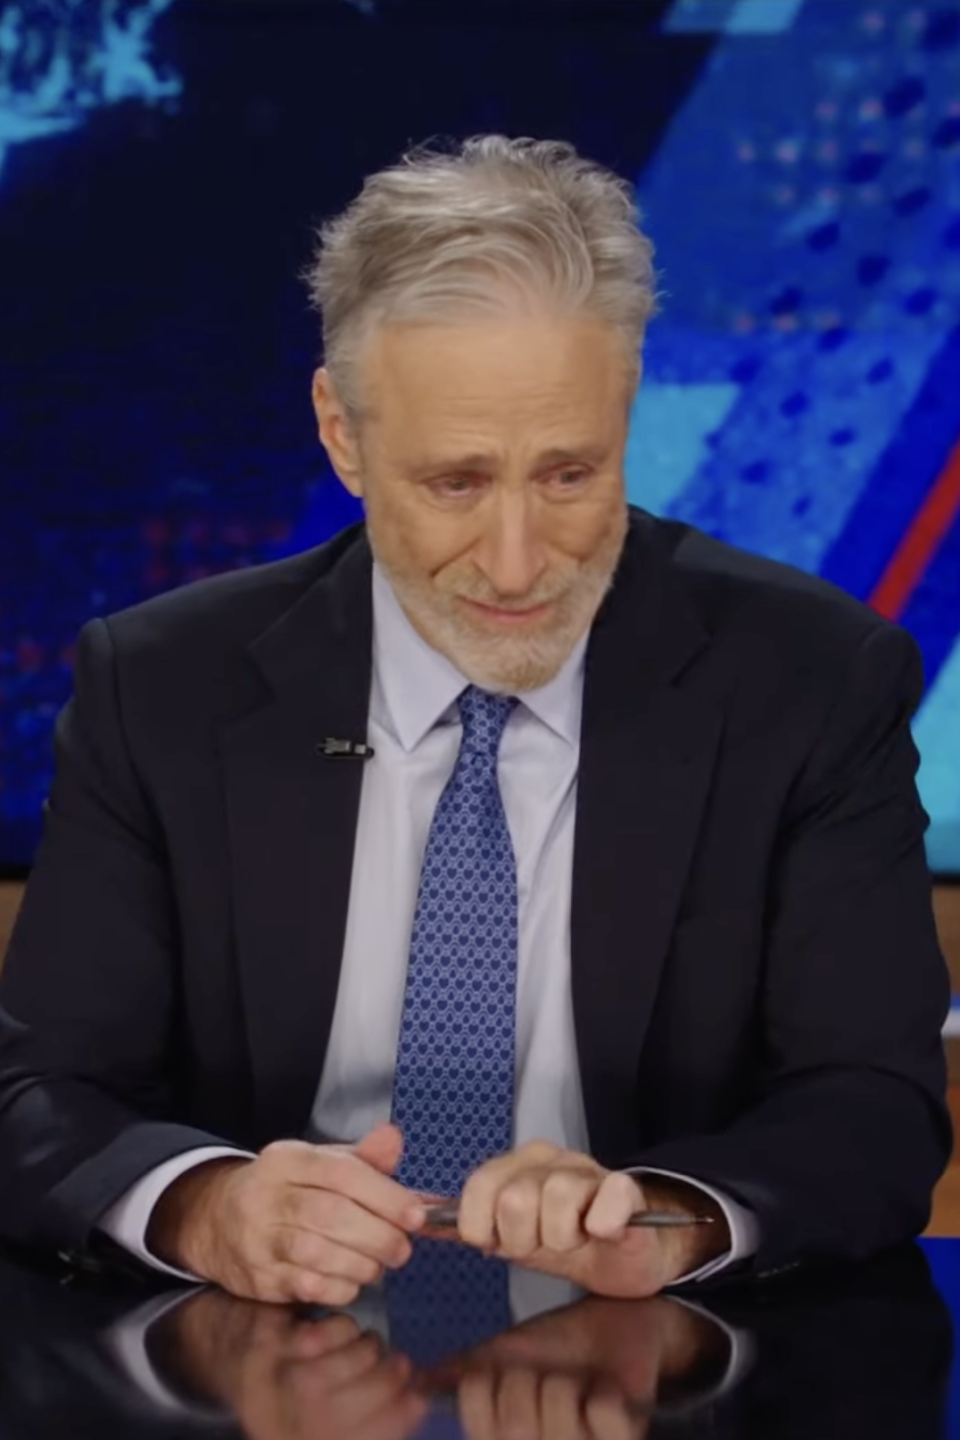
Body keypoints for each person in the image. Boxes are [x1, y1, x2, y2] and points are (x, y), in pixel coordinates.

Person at [0, 136, 950, 1308]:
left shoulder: (814, 681)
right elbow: (38, 1090)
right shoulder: (162, 687)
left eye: (568, 475)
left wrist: (670, 1217)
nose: (517, 564)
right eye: (455, 483)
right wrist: (206, 1207)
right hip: (255, 1358)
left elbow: (874, 1104)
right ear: (344, 435)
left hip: (659, 1369)